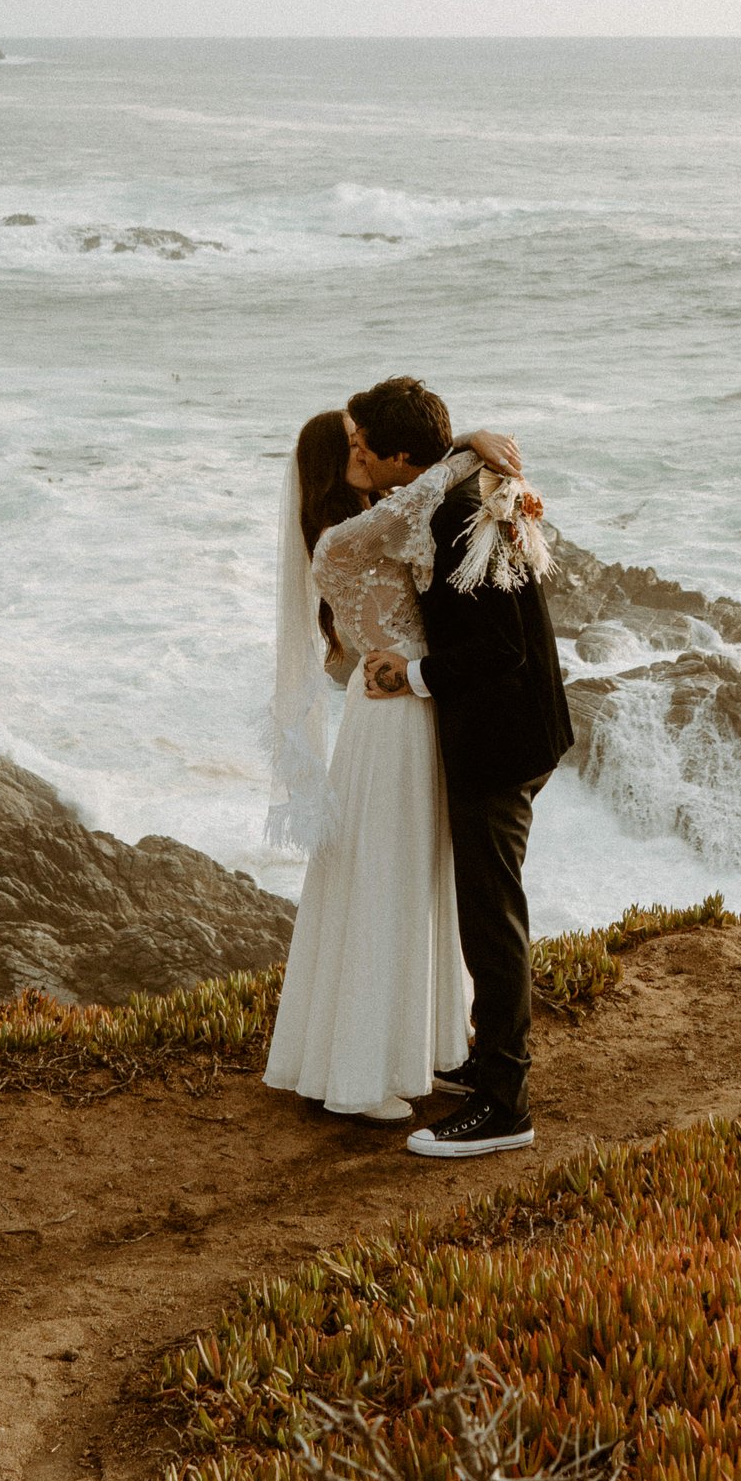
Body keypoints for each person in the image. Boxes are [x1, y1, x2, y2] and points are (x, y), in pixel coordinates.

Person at [343, 375, 572, 1162]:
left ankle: (507, 1104)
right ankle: (487, 1065)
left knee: (491, 916)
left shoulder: (447, 514)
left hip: (499, 741)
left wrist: (407, 678)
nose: (356, 456)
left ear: (402, 456)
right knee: (487, 906)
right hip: (529, 728)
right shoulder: (466, 485)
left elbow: (497, 647)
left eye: (363, 447)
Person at [260, 405, 480, 1122]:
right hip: (390, 722)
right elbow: (423, 490)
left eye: (368, 443)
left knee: (405, 876)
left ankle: (409, 1049)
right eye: (353, 445)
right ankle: (362, 1072)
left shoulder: (364, 525)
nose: (365, 451)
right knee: (385, 878)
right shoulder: (338, 540)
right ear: (337, 462)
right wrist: (467, 447)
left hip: (398, 706)